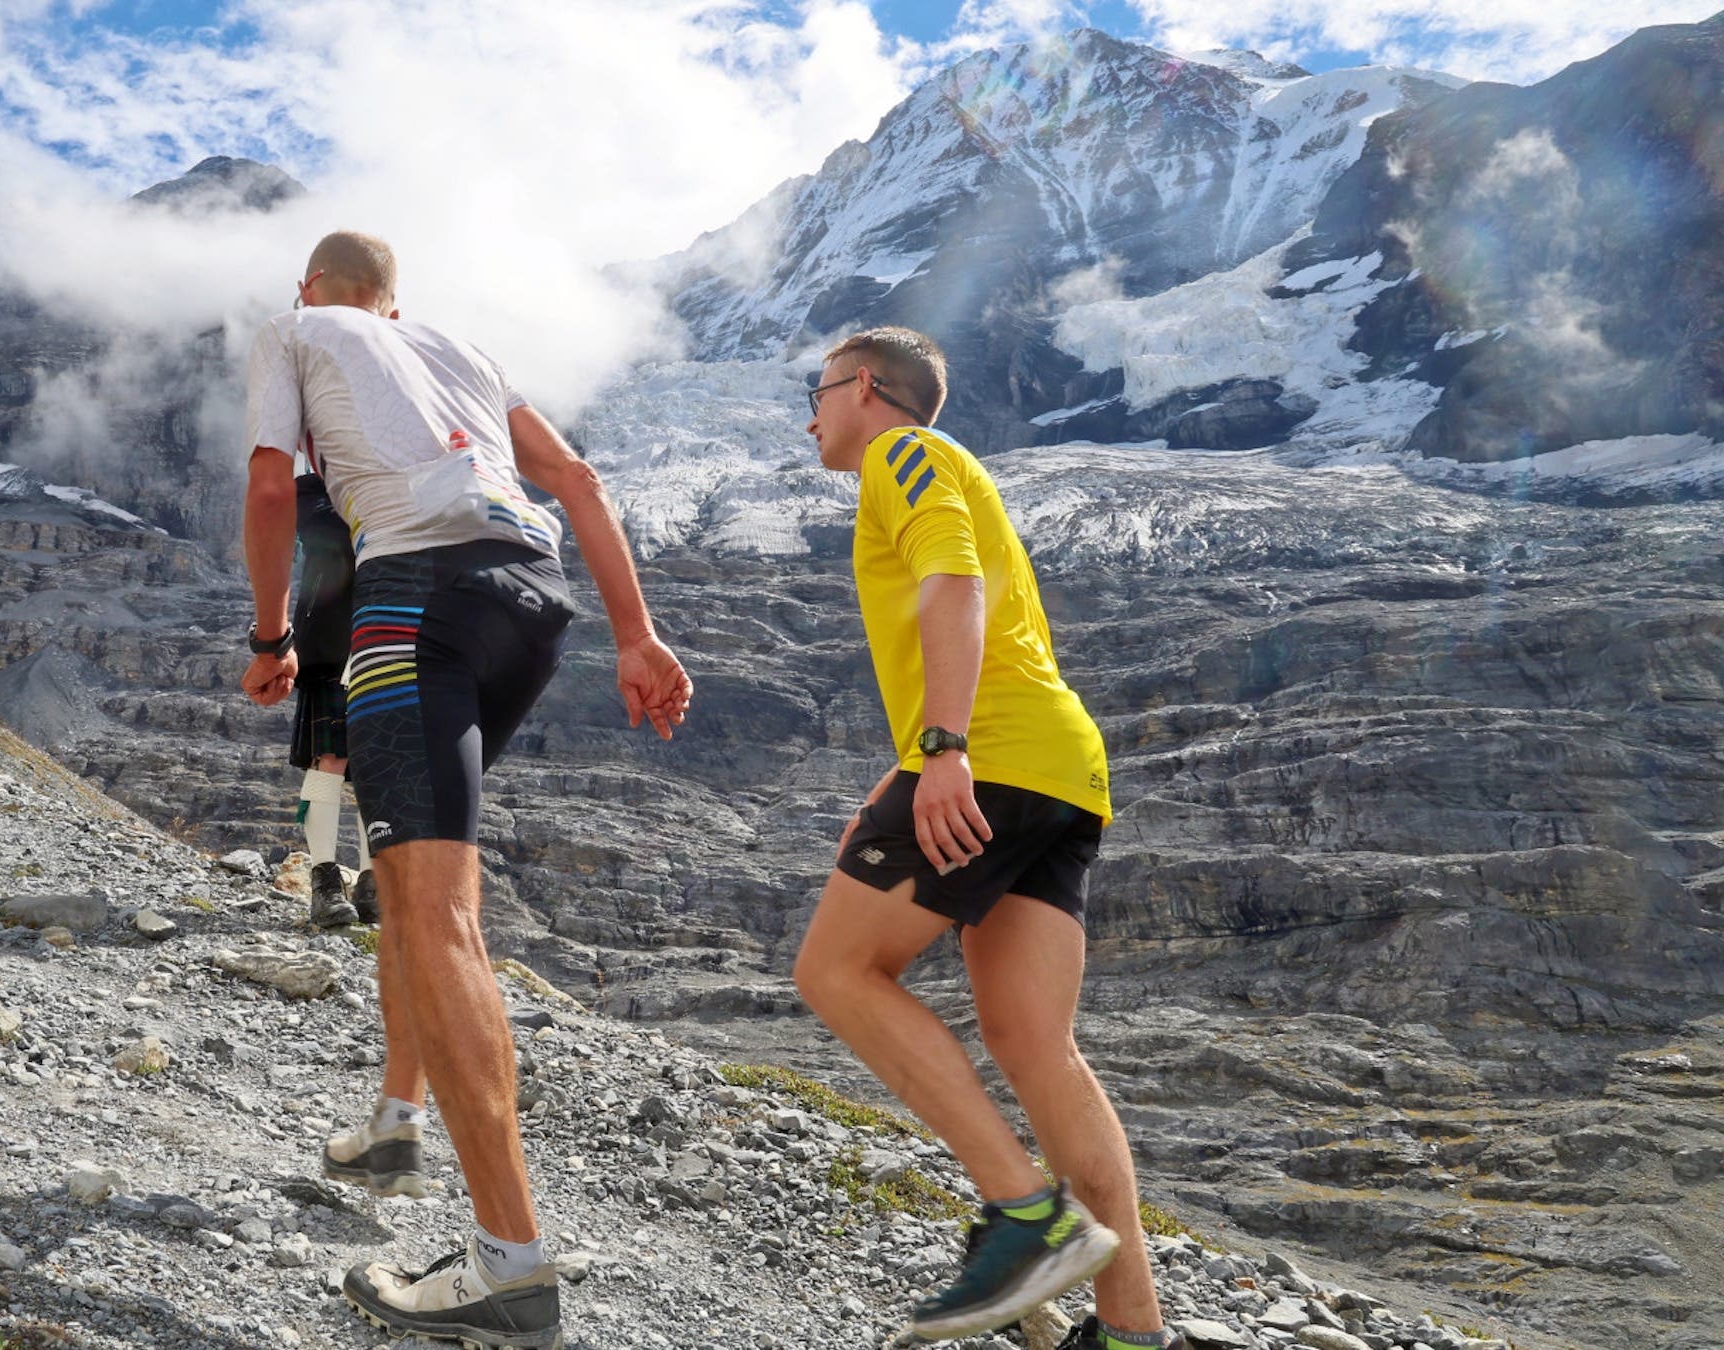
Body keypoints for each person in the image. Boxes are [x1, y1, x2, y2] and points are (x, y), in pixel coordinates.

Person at [241, 231, 692, 1350]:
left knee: (435, 909)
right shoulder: (468, 353)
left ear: (316, 290)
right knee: (418, 877)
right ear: (394, 305)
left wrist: (272, 635)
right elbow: (578, 479)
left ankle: (509, 1264)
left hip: (415, 596)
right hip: (530, 601)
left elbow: (266, 486)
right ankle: (397, 1118)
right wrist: (637, 636)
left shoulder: (293, 331)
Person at [790, 327, 1181, 1350]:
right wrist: (906, 765)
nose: (811, 414)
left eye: (820, 391)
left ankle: (1026, 1216)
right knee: (1032, 1042)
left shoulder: (901, 452)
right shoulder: (948, 467)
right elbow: (993, 624)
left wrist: (945, 753)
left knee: (837, 972)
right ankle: (1135, 1334)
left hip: (991, 755)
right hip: (1061, 770)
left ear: (868, 387)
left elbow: (955, 590)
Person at [290, 464, 374, 928]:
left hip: (389, 633)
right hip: (332, 641)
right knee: (329, 760)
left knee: (377, 764)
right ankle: (324, 881)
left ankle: (372, 881)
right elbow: (329, 537)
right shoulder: (312, 492)